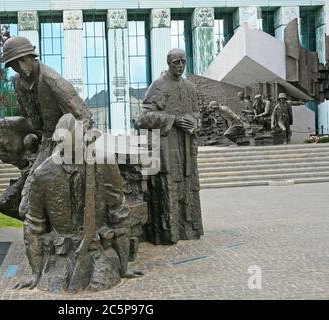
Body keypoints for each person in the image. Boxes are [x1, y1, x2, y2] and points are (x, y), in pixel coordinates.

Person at [14, 114, 141, 292]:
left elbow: (118, 213)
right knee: (54, 284)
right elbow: (33, 225)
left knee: (100, 283)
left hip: (98, 250)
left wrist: (124, 266)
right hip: (60, 253)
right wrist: (35, 273)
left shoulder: (104, 163)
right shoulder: (42, 174)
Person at [1, 36, 93, 218]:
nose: (17, 68)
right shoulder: (19, 83)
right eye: (13, 65)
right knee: (25, 200)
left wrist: (77, 146)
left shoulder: (52, 80)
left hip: (65, 143)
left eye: (20, 62)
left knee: (41, 186)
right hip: (44, 142)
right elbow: (27, 117)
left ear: (29, 57)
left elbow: (83, 115)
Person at [136, 48, 203, 244]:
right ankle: (168, 233)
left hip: (187, 146)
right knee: (168, 189)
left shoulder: (189, 87)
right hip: (167, 146)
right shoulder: (159, 85)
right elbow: (143, 119)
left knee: (189, 186)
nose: (180, 65)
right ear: (169, 63)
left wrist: (194, 122)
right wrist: (173, 120)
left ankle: (189, 229)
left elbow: (197, 114)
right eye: (176, 62)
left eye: (183, 61)